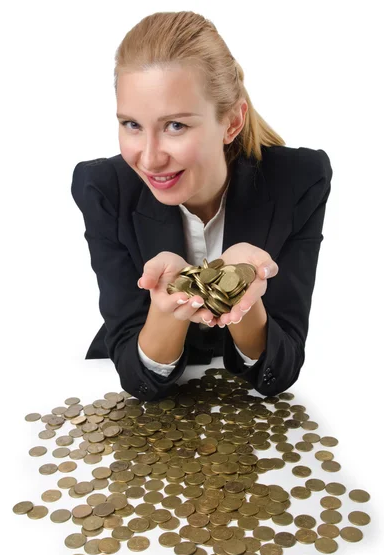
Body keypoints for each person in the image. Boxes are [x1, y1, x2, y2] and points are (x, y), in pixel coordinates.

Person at [71, 11, 333, 403]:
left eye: (175, 125)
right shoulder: (104, 188)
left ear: (231, 122)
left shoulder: (298, 180)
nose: (149, 158)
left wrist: (245, 296)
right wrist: (166, 307)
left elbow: (280, 373)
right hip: (134, 380)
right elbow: (134, 376)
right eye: (132, 125)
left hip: (242, 396)